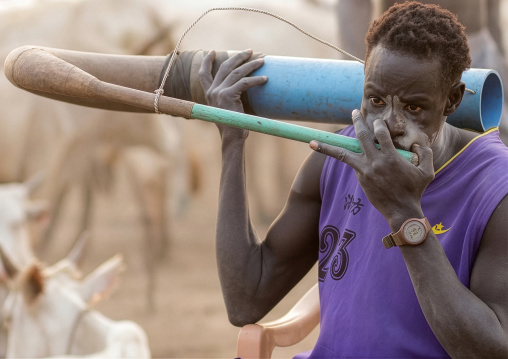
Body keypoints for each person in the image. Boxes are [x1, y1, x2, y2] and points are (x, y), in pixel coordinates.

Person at [197, 2, 508, 358]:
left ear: (451, 100)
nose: (385, 126)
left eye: (413, 108)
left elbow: (490, 350)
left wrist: (404, 214)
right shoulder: (336, 157)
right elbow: (245, 299)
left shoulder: (495, 188)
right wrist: (232, 140)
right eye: (376, 100)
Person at [337, 0, 508, 144]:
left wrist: (498, 57)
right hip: (398, 60)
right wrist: (363, 72)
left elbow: (491, 8)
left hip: (480, 49)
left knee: (495, 134)